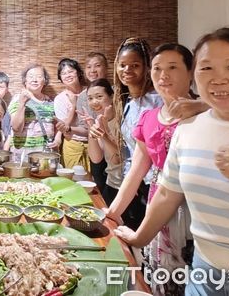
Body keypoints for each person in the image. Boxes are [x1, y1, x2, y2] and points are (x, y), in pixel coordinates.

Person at [115, 28, 229, 295]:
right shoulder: (188, 129)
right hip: (204, 275)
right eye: (206, 68)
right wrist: (138, 237)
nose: (218, 79)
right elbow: (166, 194)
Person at [107, 43, 197, 296]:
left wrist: (205, 107)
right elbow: (136, 172)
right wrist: (110, 214)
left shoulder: (209, 114)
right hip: (158, 205)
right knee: (160, 279)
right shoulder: (149, 117)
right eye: (157, 68)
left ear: (191, 72)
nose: (163, 75)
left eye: (172, 67)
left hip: (197, 209)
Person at [111, 37, 161, 230]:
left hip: (154, 183)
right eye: (122, 65)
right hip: (134, 182)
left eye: (135, 65)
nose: (127, 70)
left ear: (146, 67)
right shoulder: (129, 104)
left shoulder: (157, 101)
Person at [7, 64, 59, 163]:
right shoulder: (17, 99)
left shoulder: (50, 102)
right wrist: (22, 103)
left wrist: (57, 139)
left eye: (39, 76)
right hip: (22, 155)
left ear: (44, 81)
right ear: (25, 81)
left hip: (45, 156)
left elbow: (57, 126)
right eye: (31, 76)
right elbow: (16, 128)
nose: (35, 80)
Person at [80, 79, 121, 201]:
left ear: (111, 96)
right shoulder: (99, 120)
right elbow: (96, 158)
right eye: (90, 98)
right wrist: (91, 127)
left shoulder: (122, 120)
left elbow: (118, 158)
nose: (94, 102)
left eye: (99, 96)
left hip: (128, 186)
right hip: (112, 182)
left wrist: (103, 134)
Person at [54, 58, 89, 169]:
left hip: (93, 141)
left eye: (70, 71)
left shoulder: (90, 92)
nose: (67, 75)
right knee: (73, 179)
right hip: (72, 142)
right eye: (63, 73)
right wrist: (73, 106)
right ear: (60, 78)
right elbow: (63, 126)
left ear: (78, 72)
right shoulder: (60, 99)